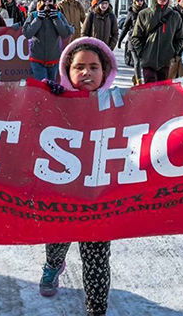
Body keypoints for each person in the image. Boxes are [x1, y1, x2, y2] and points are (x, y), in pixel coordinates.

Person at [36, 36, 117, 316]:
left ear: (104, 72)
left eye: (94, 67)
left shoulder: (119, 103)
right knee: (57, 241)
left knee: (96, 259)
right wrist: (43, 99)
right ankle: (53, 265)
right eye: (79, 67)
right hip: (63, 194)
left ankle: (96, 309)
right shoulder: (55, 100)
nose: (87, 73)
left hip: (99, 197)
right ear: (68, 71)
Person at [131, 0, 183, 83]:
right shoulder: (144, 14)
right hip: (148, 63)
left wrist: (173, 52)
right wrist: (143, 52)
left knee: (163, 92)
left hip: (166, 63)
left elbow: (181, 38)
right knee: (151, 91)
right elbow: (135, 37)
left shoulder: (175, 16)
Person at [22, 0, 74, 80]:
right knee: (42, 86)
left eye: (49, 1)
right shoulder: (33, 15)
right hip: (37, 59)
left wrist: (56, 19)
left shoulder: (59, 15)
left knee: (51, 86)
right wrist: (38, 19)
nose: (47, 4)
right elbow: (27, 34)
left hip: (53, 59)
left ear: (54, 2)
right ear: (39, 2)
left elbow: (65, 34)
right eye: (44, 1)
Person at [118, 0, 147, 81]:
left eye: (141, 0)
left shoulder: (147, 12)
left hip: (143, 40)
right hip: (133, 40)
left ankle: (136, 77)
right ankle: (139, 80)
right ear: (134, 2)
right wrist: (120, 40)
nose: (140, 2)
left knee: (144, 63)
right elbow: (125, 28)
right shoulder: (131, 13)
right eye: (138, 0)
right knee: (137, 61)